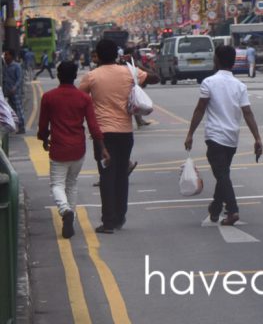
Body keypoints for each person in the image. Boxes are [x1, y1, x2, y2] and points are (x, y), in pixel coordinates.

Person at [79, 38, 155, 234]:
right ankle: (120, 216)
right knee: (122, 175)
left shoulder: (92, 76)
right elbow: (154, 78)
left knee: (106, 176)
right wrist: (133, 66)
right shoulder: (129, 72)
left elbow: (79, 98)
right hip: (125, 132)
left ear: (97, 56)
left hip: (102, 134)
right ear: (117, 55)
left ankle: (109, 221)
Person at [185, 44, 263, 226]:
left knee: (221, 175)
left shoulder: (209, 82)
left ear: (216, 60)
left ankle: (233, 210)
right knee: (223, 173)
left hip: (214, 136)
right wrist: (257, 138)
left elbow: (200, 109)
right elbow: (248, 112)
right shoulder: (240, 85)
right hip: (231, 138)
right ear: (234, 61)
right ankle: (215, 207)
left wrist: (190, 134)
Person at [37, 61, 108, 239]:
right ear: (75, 76)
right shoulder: (84, 99)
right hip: (78, 148)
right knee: (72, 183)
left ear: (58, 75)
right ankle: (71, 218)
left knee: (57, 184)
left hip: (59, 147)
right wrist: (102, 148)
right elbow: (93, 126)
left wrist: (44, 139)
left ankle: (65, 210)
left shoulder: (49, 97)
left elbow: (43, 125)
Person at [2, 49, 25, 134]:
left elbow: (19, 79)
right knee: (10, 110)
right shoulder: (5, 66)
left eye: (7, 55)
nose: (5, 56)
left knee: (18, 110)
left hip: (15, 93)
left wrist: (14, 88)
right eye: (5, 55)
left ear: (11, 56)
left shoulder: (16, 66)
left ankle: (22, 127)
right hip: (7, 92)